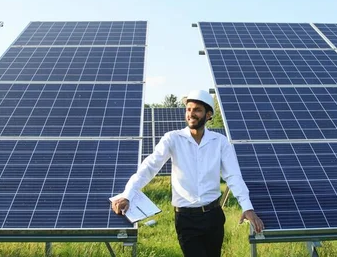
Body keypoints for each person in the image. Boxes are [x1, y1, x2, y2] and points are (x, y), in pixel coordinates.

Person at [111, 89, 264, 257]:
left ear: (208, 115)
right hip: (186, 219)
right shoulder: (172, 139)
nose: (191, 113)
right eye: (188, 109)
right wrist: (128, 194)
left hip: (214, 216)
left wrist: (247, 207)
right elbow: (149, 166)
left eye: (197, 110)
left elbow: (233, 176)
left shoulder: (219, 142)